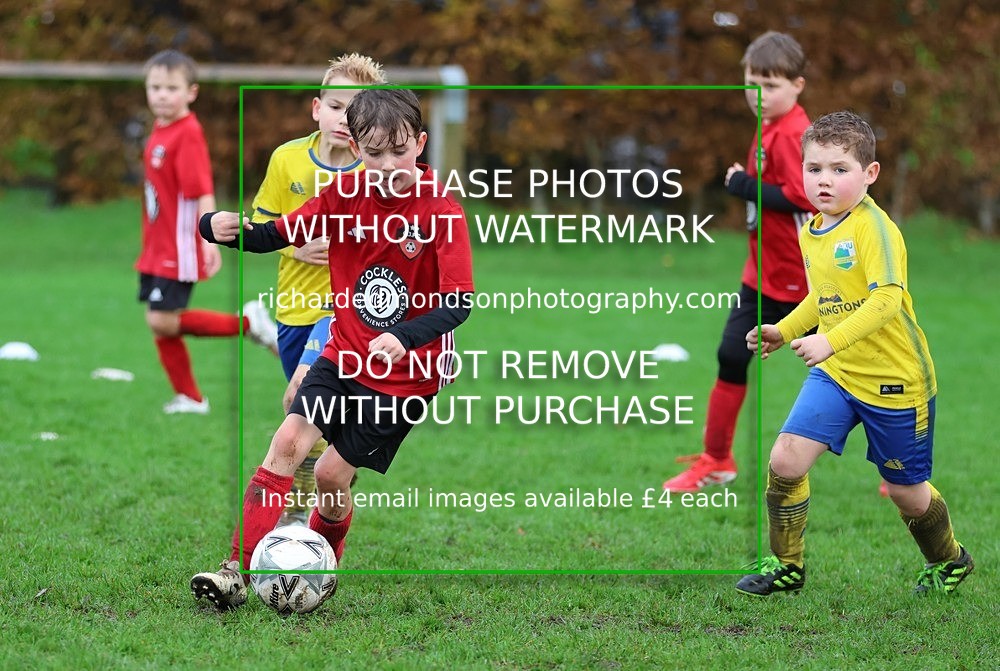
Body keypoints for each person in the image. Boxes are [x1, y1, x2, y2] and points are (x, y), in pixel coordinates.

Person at [190, 88, 475, 610]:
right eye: (373, 152)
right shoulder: (344, 197)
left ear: (420, 143)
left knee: (329, 475)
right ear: (357, 147)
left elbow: (459, 303)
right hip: (342, 356)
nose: (387, 164)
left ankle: (324, 566)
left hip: (406, 376)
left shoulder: (441, 211)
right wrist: (219, 230)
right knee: (287, 443)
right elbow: (274, 233)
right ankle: (235, 570)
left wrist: (404, 337)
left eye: (398, 150)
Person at [736, 111, 974, 596]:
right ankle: (787, 567)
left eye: (839, 169)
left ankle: (949, 560)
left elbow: (886, 300)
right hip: (839, 374)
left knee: (908, 494)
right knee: (785, 460)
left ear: (870, 174)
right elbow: (821, 297)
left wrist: (828, 339)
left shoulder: (875, 230)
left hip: (895, 381)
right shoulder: (812, 228)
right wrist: (784, 330)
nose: (824, 180)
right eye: (814, 168)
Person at [663, 31, 813, 492]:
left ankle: (902, 468)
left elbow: (804, 196)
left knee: (852, 374)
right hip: (762, 279)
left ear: (797, 86)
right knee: (731, 354)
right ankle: (717, 459)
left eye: (771, 85)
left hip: (807, 285)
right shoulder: (768, 127)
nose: (759, 95)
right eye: (752, 84)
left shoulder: (793, 134)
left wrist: (743, 186)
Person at [249, 53, 387, 525]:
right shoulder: (286, 159)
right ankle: (330, 480)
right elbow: (263, 223)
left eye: (356, 111)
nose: (343, 119)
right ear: (316, 108)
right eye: (335, 106)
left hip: (347, 309)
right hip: (294, 306)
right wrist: (294, 249)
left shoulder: (375, 173)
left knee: (298, 394)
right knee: (311, 416)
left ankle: (294, 516)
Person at [137, 49, 277, 414]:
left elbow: (201, 189)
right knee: (161, 325)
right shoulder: (162, 128)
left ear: (191, 92)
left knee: (161, 319)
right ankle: (190, 397)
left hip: (179, 245)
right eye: (155, 87)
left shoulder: (188, 133)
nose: (162, 95)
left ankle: (248, 324)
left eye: (171, 87)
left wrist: (208, 238)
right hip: (157, 244)